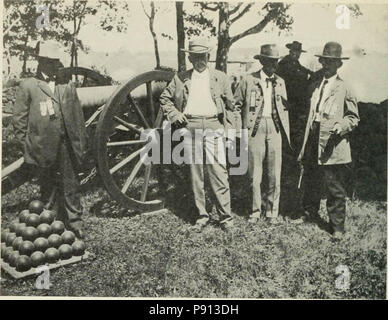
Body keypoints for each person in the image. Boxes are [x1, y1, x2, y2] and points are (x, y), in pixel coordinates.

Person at [13, 41, 87, 238]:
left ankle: (75, 222)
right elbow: (19, 121)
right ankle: (50, 221)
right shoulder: (28, 86)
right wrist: (29, 146)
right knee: (48, 186)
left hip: (66, 144)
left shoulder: (67, 86)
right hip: (42, 146)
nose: (57, 65)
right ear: (42, 62)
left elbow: (78, 117)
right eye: (53, 61)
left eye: (57, 61)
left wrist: (79, 142)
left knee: (71, 183)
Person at [159, 38, 235, 231]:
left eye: (203, 56)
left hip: (213, 125)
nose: (200, 60)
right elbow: (165, 98)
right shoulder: (180, 78)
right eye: (196, 57)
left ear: (208, 57)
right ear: (190, 58)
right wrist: (175, 115)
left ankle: (226, 218)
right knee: (196, 174)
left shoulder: (221, 78)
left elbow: (231, 107)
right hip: (190, 126)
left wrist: (229, 133)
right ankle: (202, 216)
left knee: (218, 172)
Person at [297, 42, 359, 241]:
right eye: (325, 61)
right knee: (311, 178)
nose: (327, 65)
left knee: (334, 186)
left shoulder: (344, 88)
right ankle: (310, 212)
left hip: (333, 142)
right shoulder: (315, 84)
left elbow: (353, 117)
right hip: (314, 137)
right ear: (321, 61)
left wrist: (341, 126)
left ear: (338, 64)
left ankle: (337, 226)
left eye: (331, 62)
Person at [234, 44, 291, 225]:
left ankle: (272, 212)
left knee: (275, 173)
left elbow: (285, 108)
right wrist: (238, 129)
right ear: (262, 61)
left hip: (274, 129)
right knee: (254, 174)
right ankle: (255, 211)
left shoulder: (281, 82)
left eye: (275, 62)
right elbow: (235, 105)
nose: (272, 65)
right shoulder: (248, 80)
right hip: (254, 130)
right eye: (268, 61)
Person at [277, 41, 313, 149]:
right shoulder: (284, 63)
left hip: (296, 102)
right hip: (288, 100)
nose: (297, 54)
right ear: (290, 51)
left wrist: (311, 73)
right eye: (295, 51)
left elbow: (302, 69)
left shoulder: (296, 63)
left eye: (299, 52)